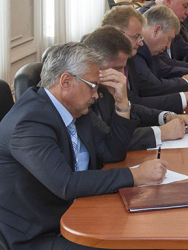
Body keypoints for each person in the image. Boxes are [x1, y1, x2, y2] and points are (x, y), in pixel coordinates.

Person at [0, 42, 167, 250]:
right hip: (38, 234)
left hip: (77, 211)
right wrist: (135, 175)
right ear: (66, 82)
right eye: (92, 86)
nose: (96, 95)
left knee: (149, 228)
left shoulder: (73, 109)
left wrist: (122, 103)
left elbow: (112, 152)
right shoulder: (29, 123)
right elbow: (66, 184)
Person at [84, 26, 188, 150]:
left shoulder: (104, 86)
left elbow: (131, 108)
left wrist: (165, 117)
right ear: (94, 63)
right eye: (116, 68)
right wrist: (162, 132)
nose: (122, 75)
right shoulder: (82, 95)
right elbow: (110, 140)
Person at [101, 6, 188, 114]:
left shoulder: (131, 56)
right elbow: (144, 94)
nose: (140, 43)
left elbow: (152, 83)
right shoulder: (108, 62)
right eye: (136, 37)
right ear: (117, 34)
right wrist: (187, 94)